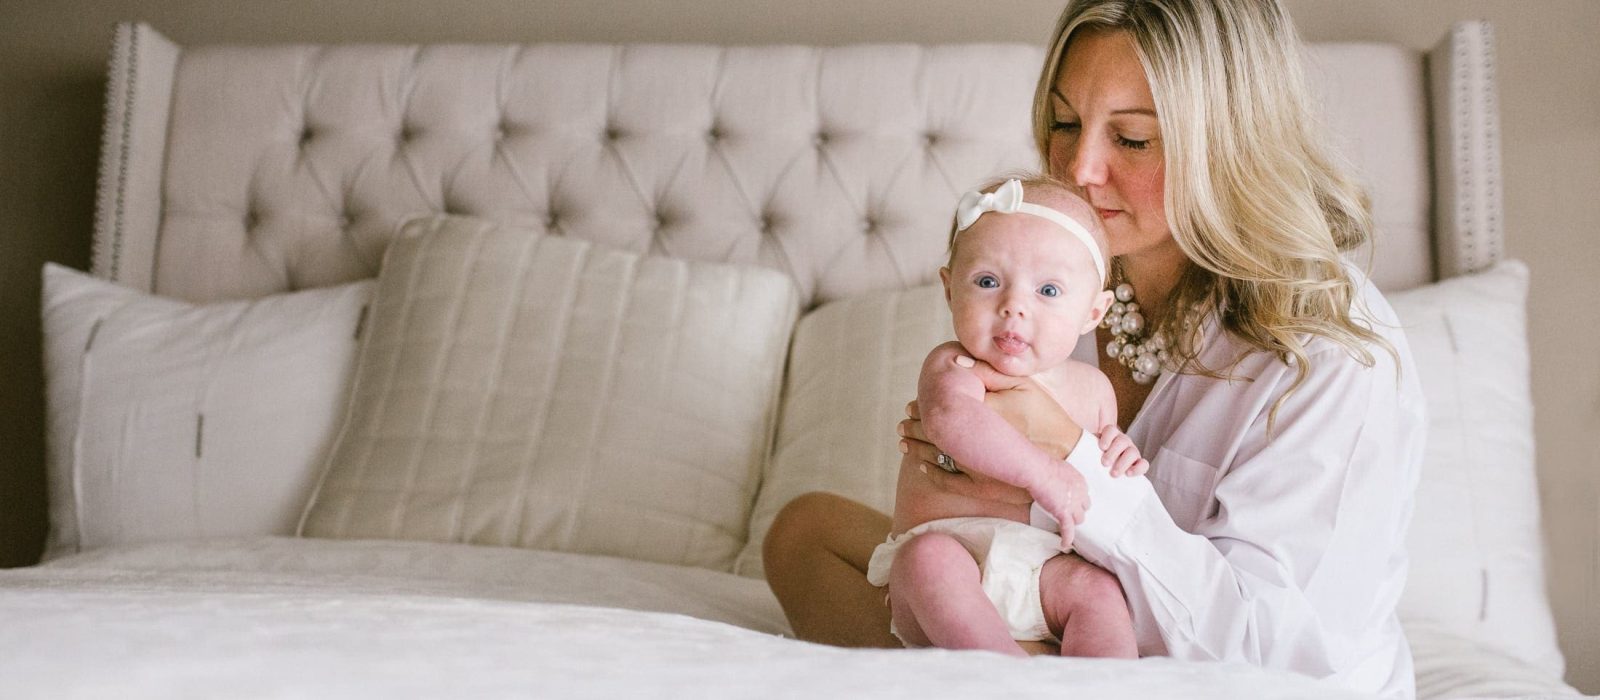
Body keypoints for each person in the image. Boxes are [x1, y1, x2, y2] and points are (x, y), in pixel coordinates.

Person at [762, 1, 1425, 698]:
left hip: (1237, 671)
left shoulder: (1326, 344)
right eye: (1065, 124)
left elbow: (1274, 650)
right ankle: (999, 671)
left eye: (1132, 140)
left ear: (1230, 144)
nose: (1079, 169)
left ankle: (992, 677)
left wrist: (1066, 457)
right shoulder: (1064, 281)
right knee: (808, 532)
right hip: (1053, 615)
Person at [872, 175, 1149, 658]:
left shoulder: (1095, 390)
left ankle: (1104, 686)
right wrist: (1041, 473)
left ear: (1093, 311)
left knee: (1101, 593)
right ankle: (1008, 677)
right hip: (954, 555)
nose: (1013, 307)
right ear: (949, 288)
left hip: (1044, 570)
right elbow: (951, 421)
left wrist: (1123, 454)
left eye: (1047, 289)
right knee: (925, 562)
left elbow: (1104, 476)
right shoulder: (955, 365)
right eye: (987, 282)